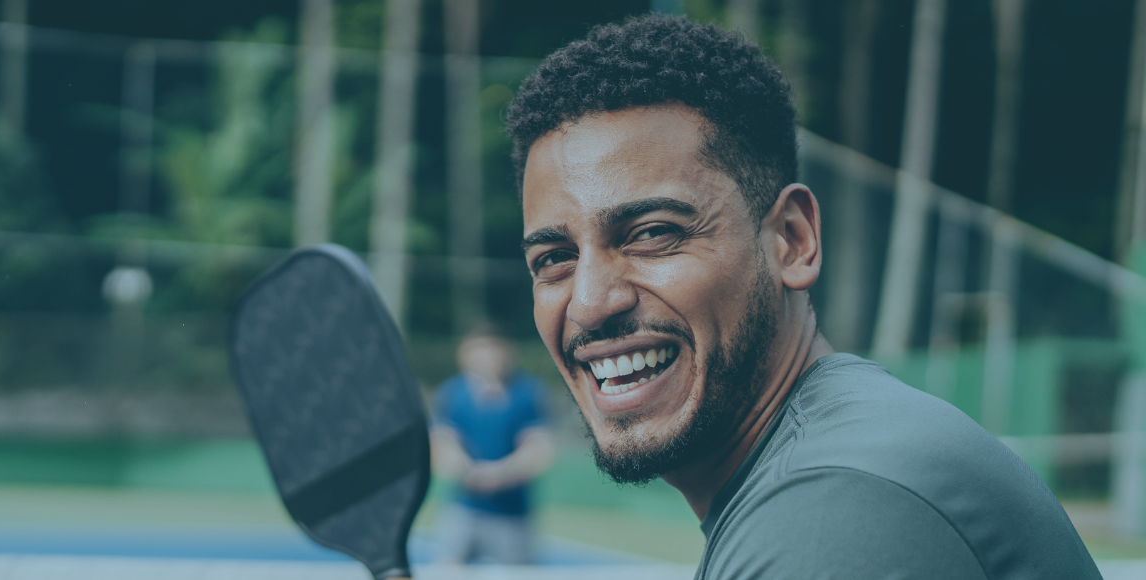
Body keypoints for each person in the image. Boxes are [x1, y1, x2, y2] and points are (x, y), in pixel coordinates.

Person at [506, 14, 1100, 578]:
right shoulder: (833, 457)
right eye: (554, 259)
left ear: (792, 240)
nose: (589, 302)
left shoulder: (836, 505)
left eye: (653, 234)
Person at [429, 326, 555, 565]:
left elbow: (538, 449)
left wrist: (500, 473)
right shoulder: (452, 393)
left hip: (513, 517)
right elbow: (443, 443)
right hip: (462, 511)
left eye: (493, 350)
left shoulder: (528, 394)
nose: (488, 357)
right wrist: (464, 469)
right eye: (480, 350)